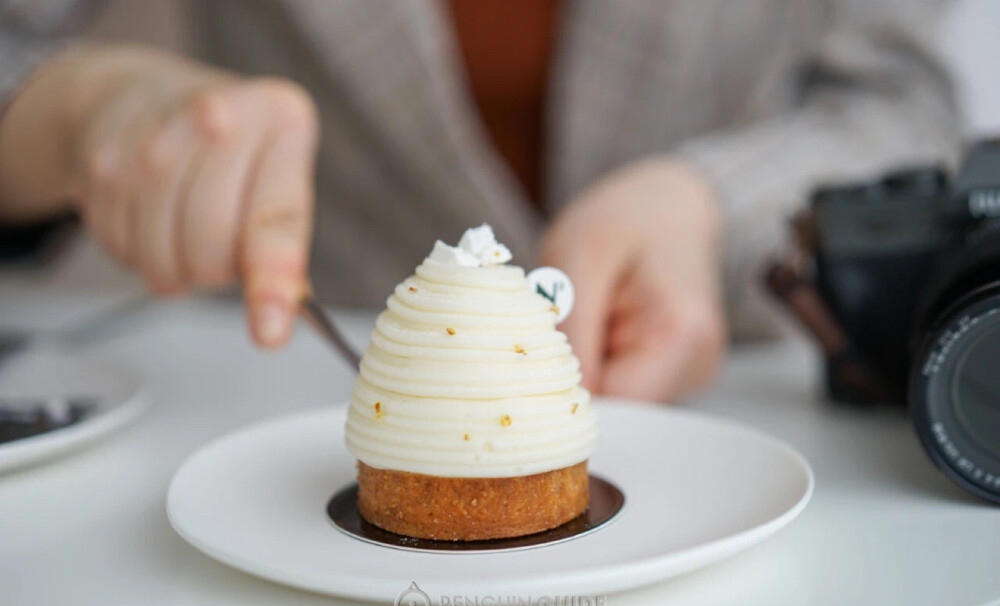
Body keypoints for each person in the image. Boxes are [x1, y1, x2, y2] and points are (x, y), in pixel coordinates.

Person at [0, 0, 961, 402]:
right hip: (292, 397)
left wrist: (707, 200)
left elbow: (905, 102)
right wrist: (74, 109)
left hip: (751, 402)